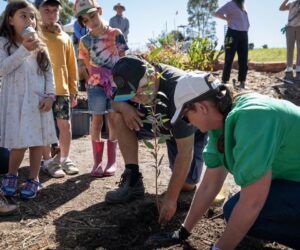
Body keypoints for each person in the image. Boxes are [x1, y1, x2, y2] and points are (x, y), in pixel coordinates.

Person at [151, 73, 300, 249]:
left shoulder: (253, 117)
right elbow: (209, 184)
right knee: (234, 210)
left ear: (201, 107)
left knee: (247, 212)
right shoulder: (222, 124)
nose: (188, 122)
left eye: (185, 116)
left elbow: (253, 202)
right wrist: (183, 231)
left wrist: (219, 248)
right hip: (292, 180)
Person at [105, 56, 208, 223]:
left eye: (140, 93)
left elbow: (185, 152)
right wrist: (124, 107)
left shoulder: (178, 90)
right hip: (158, 123)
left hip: (188, 130)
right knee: (116, 116)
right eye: (132, 96)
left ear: (152, 77)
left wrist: (170, 199)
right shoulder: (132, 79)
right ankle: (133, 180)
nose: (136, 99)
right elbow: (115, 103)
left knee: (187, 185)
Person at [0, 0, 57, 199]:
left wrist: (51, 96)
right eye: (23, 16)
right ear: (10, 20)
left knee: (37, 142)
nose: (29, 20)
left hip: (37, 102)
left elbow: (49, 74)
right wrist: (24, 49)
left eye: (32, 16)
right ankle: (12, 174)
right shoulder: (4, 43)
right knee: (18, 141)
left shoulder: (41, 46)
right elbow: (3, 68)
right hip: (16, 102)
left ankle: (34, 178)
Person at [74, 0, 128, 177]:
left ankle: (111, 162)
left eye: (92, 15)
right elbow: (84, 62)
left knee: (112, 119)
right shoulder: (85, 40)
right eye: (86, 19)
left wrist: (117, 79)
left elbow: (123, 58)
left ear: (99, 11)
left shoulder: (115, 33)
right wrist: (93, 75)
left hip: (114, 84)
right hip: (95, 84)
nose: (91, 21)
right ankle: (97, 162)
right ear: (82, 23)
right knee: (96, 120)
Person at [35, 0, 79, 178]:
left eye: (55, 10)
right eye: (47, 10)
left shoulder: (65, 37)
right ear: (38, 11)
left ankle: (64, 158)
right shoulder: (35, 34)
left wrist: (74, 89)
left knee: (65, 125)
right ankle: (46, 162)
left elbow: (71, 65)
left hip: (62, 89)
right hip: (41, 90)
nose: (51, 14)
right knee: (44, 127)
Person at [214, 0, 250, 88]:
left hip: (244, 34)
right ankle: (225, 80)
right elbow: (217, 13)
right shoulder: (231, 4)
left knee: (243, 59)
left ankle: (242, 81)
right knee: (229, 58)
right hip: (232, 33)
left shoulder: (243, 5)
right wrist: (227, 18)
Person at [279, 0, 300, 80]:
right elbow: (281, 8)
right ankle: (289, 67)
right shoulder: (292, 4)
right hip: (290, 27)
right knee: (290, 48)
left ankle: (298, 67)